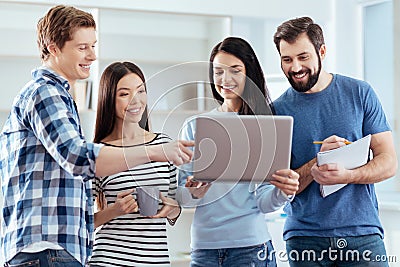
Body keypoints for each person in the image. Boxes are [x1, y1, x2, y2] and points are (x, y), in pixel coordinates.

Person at [0, 5, 193, 267]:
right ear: (53, 47)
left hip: (52, 248)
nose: (92, 55)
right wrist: (154, 152)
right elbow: (78, 158)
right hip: (48, 249)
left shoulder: (56, 96)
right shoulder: (46, 93)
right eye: (82, 47)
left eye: (93, 45)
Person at [273, 16, 397, 266]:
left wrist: (347, 175)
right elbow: (281, 188)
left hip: (362, 234)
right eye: (287, 59)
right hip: (304, 239)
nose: (295, 67)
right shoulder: (276, 111)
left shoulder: (360, 93)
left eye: (303, 57)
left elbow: (389, 162)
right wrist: (318, 163)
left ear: (322, 51)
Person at [177, 36, 300, 267]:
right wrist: (194, 193)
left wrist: (284, 192)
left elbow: (265, 202)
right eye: (218, 72)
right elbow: (182, 199)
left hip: (251, 249)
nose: (225, 79)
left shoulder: (266, 127)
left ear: (249, 74)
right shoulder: (195, 126)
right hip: (205, 251)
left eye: (235, 70)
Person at [89, 62, 182, 267]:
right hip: (109, 260)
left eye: (141, 91)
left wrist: (172, 209)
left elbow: (175, 208)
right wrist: (114, 211)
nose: (136, 100)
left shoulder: (163, 145)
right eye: (124, 93)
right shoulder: (100, 152)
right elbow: (80, 222)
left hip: (155, 261)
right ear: (108, 99)